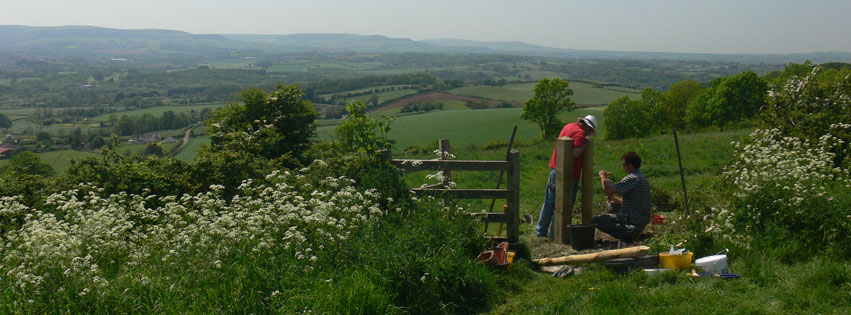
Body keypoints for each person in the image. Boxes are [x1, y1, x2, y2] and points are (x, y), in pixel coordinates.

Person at [536, 115, 598, 238]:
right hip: (569, 174)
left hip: (555, 169)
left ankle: (541, 232)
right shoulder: (580, 133)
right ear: (586, 126)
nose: (589, 134)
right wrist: (586, 144)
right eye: (589, 131)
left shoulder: (568, 126)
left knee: (549, 202)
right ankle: (556, 234)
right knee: (565, 204)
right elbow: (576, 153)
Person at [594, 151, 652, 243]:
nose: (623, 166)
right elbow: (628, 202)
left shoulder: (632, 178)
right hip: (640, 217)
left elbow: (608, 191)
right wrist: (613, 198)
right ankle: (632, 230)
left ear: (631, 165)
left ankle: (629, 232)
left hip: (635, 219)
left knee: (596, 221)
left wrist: (602, 176)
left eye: (624, 164)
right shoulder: (640, 177)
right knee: (612, 205)